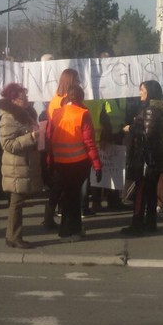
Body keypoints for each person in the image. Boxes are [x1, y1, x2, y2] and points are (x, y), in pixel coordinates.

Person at [48, 84, 102, 241]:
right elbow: (89, 142)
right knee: (73, 198)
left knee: (67, 198)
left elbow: (49, 138)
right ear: (81, 97)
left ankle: (72, 229)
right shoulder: (83, 114)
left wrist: (50, 161)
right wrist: (97, 165)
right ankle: (69, 231)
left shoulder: (57, 113)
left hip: (59, 162)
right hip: (78, 162)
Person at [121, 81, 163, 236]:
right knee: (150, 192)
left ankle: (137, 225)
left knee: (141, 192)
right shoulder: (156, 108)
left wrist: (132, 128)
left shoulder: (150, 110)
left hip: (147, 159)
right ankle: (150, 223)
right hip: (154, 158)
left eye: (142, 90)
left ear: (149, 92)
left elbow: (147, 133)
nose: (140, 92)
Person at [0, 83, 42, 249]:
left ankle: (13, 236)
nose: (27, 100)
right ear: (14, 100)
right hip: (16, 167)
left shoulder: (26, 115)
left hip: (25, 164)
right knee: (16, 203)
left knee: (18, 202)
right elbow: (8, 144)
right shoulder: (8, 118)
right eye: (24, 97)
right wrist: (31, 137)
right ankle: (14, 237)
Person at [43, 69, 81, 228]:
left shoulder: (54, 99)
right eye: (77, 79)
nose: (79, 82)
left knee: (58, 186)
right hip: (66, 148)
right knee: (63, 187)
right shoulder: (65, 101)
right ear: (71, 81)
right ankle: (61, 221)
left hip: (55, 147)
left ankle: (49, 217)